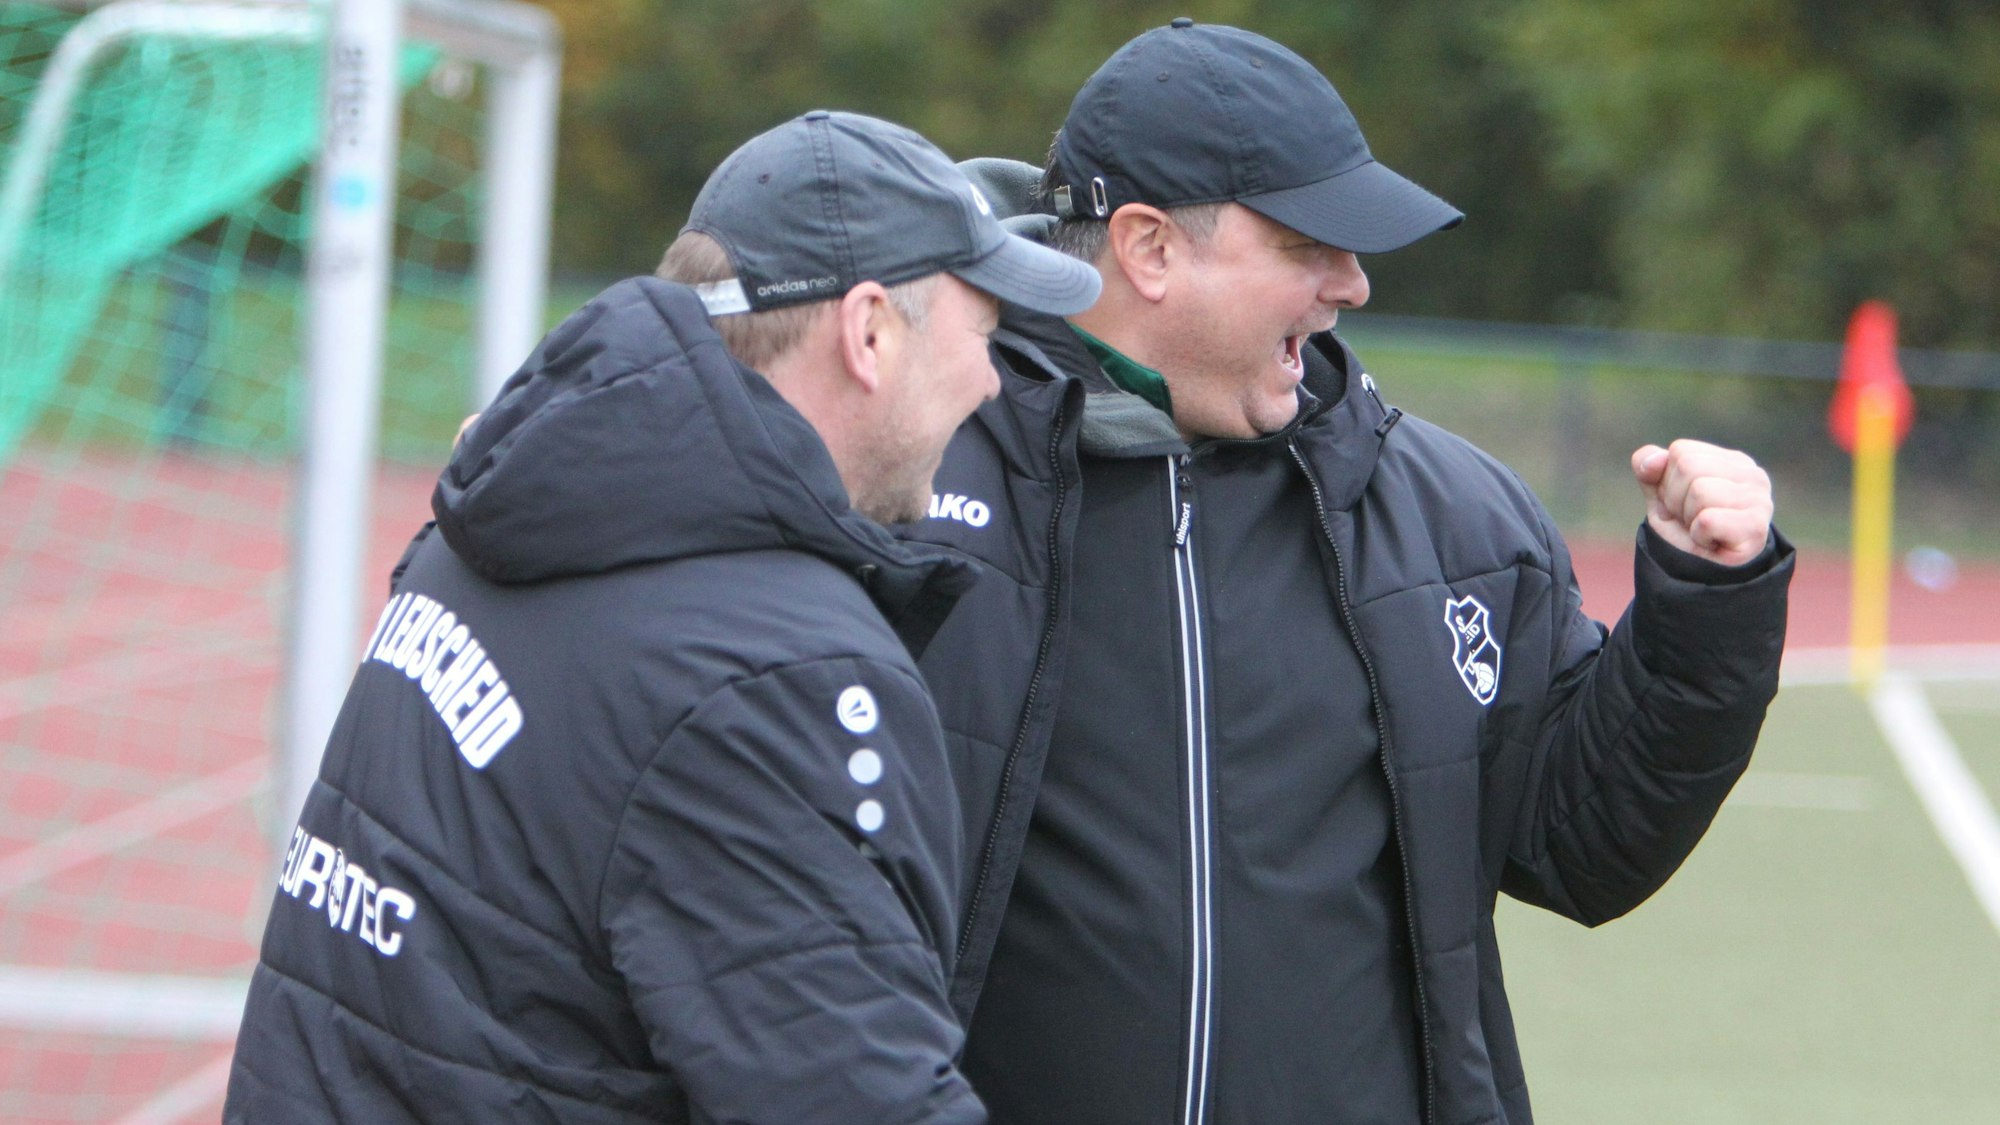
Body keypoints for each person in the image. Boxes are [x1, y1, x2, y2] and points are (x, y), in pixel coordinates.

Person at [898, 21, 1793, 1124]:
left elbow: (1581, 843)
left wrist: (1702, 607)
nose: (1352, 285)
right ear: (1149, 248)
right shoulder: (903, 482)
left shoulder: (1452, 518)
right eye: (1306, 245)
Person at [224, 110, 1099, 1124]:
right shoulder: (766, 673)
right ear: (868, 332)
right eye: (982, 336)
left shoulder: (499, 519)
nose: (989, 383)